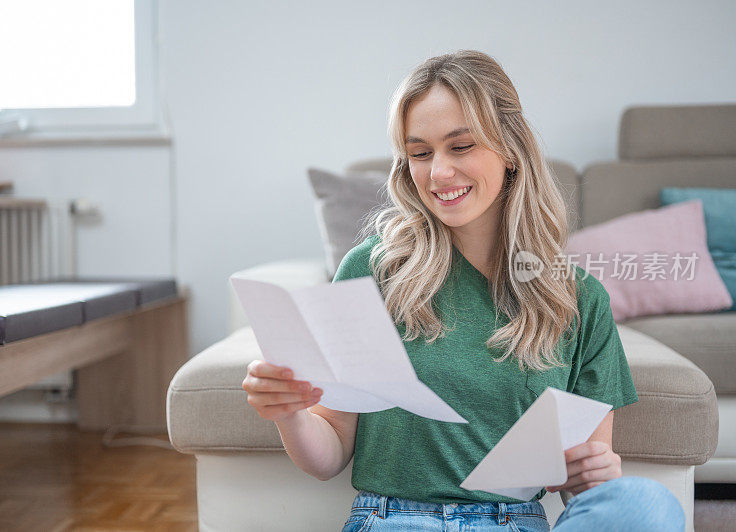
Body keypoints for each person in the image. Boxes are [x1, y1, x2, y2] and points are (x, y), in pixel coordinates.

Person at [242, 50, 685, 531]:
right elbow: (329, 451)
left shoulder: (578, 298)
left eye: (461, 146)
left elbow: (586, 477)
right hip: (398, 519)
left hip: (516, 520)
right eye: (420, 153)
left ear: (510, 148)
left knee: (646, 504)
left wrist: (596, 474)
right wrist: (289, 413)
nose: (438, 174)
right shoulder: (373, 269)